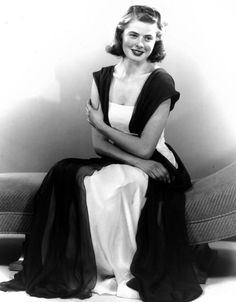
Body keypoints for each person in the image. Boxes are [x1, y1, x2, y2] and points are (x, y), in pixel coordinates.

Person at [0, 5, 213, 302]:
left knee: (122, 184)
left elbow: (145, 147)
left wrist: (101, 124)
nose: (140, 44)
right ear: (121, 35)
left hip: (158, 162)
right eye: (134, 35)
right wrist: (130, 155)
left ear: (157, 42)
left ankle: (123, 268)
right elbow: (98, 146)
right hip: (123, 159)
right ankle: (87, 264)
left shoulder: (161, 81)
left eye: (148, 38)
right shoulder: (101, 78)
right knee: (67, 174)